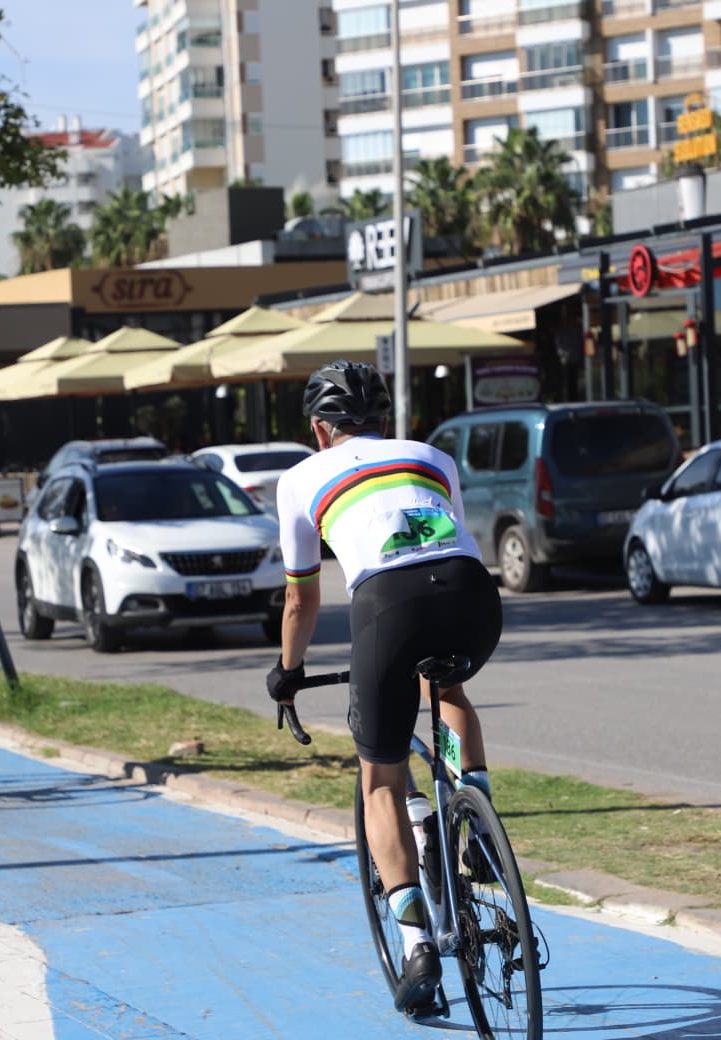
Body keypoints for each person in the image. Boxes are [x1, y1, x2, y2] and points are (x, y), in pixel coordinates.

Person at [267, 360, 502, 1013]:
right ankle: (476, 815)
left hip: (388, 608)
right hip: (472, 596)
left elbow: (301, 599)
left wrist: (288, 671)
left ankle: (416, 944)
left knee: (381, 784)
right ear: (384, 420)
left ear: (320, 430)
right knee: (446, 689)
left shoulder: (300, 479)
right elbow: (446, 543)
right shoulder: (431, 457)